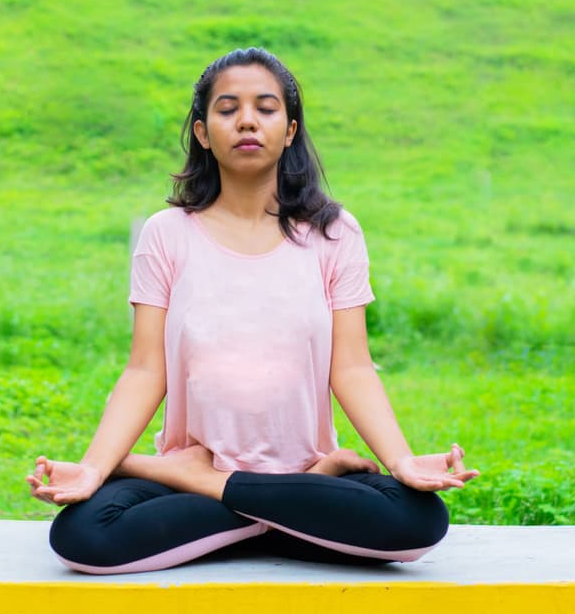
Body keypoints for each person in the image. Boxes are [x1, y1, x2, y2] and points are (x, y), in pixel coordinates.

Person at [26, 47, 479, 575]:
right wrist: (95, 467)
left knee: (418, 520)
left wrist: (401, 461)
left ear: (289, 130)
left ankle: (211, 490)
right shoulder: (167, 236)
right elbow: (145, 370)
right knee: (82, 536)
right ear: (202, 132)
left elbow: (351, 367)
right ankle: (283, 512)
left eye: (265, 108)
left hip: (293, 468)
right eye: (227, 109)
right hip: (242, 472)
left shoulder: (334, 233)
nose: (246, 120)